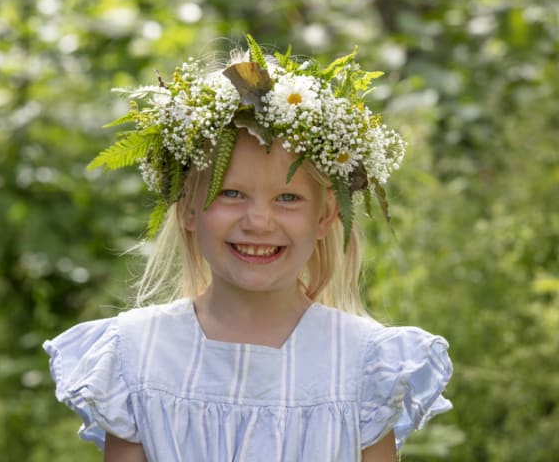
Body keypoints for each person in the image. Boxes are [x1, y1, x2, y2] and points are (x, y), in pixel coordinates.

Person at [43, 35, 453, 461]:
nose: (258, 221)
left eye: (288, 198)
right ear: (186, 207)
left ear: (326, 215)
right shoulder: (137, 356)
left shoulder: (364, 364)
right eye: (231, 193)